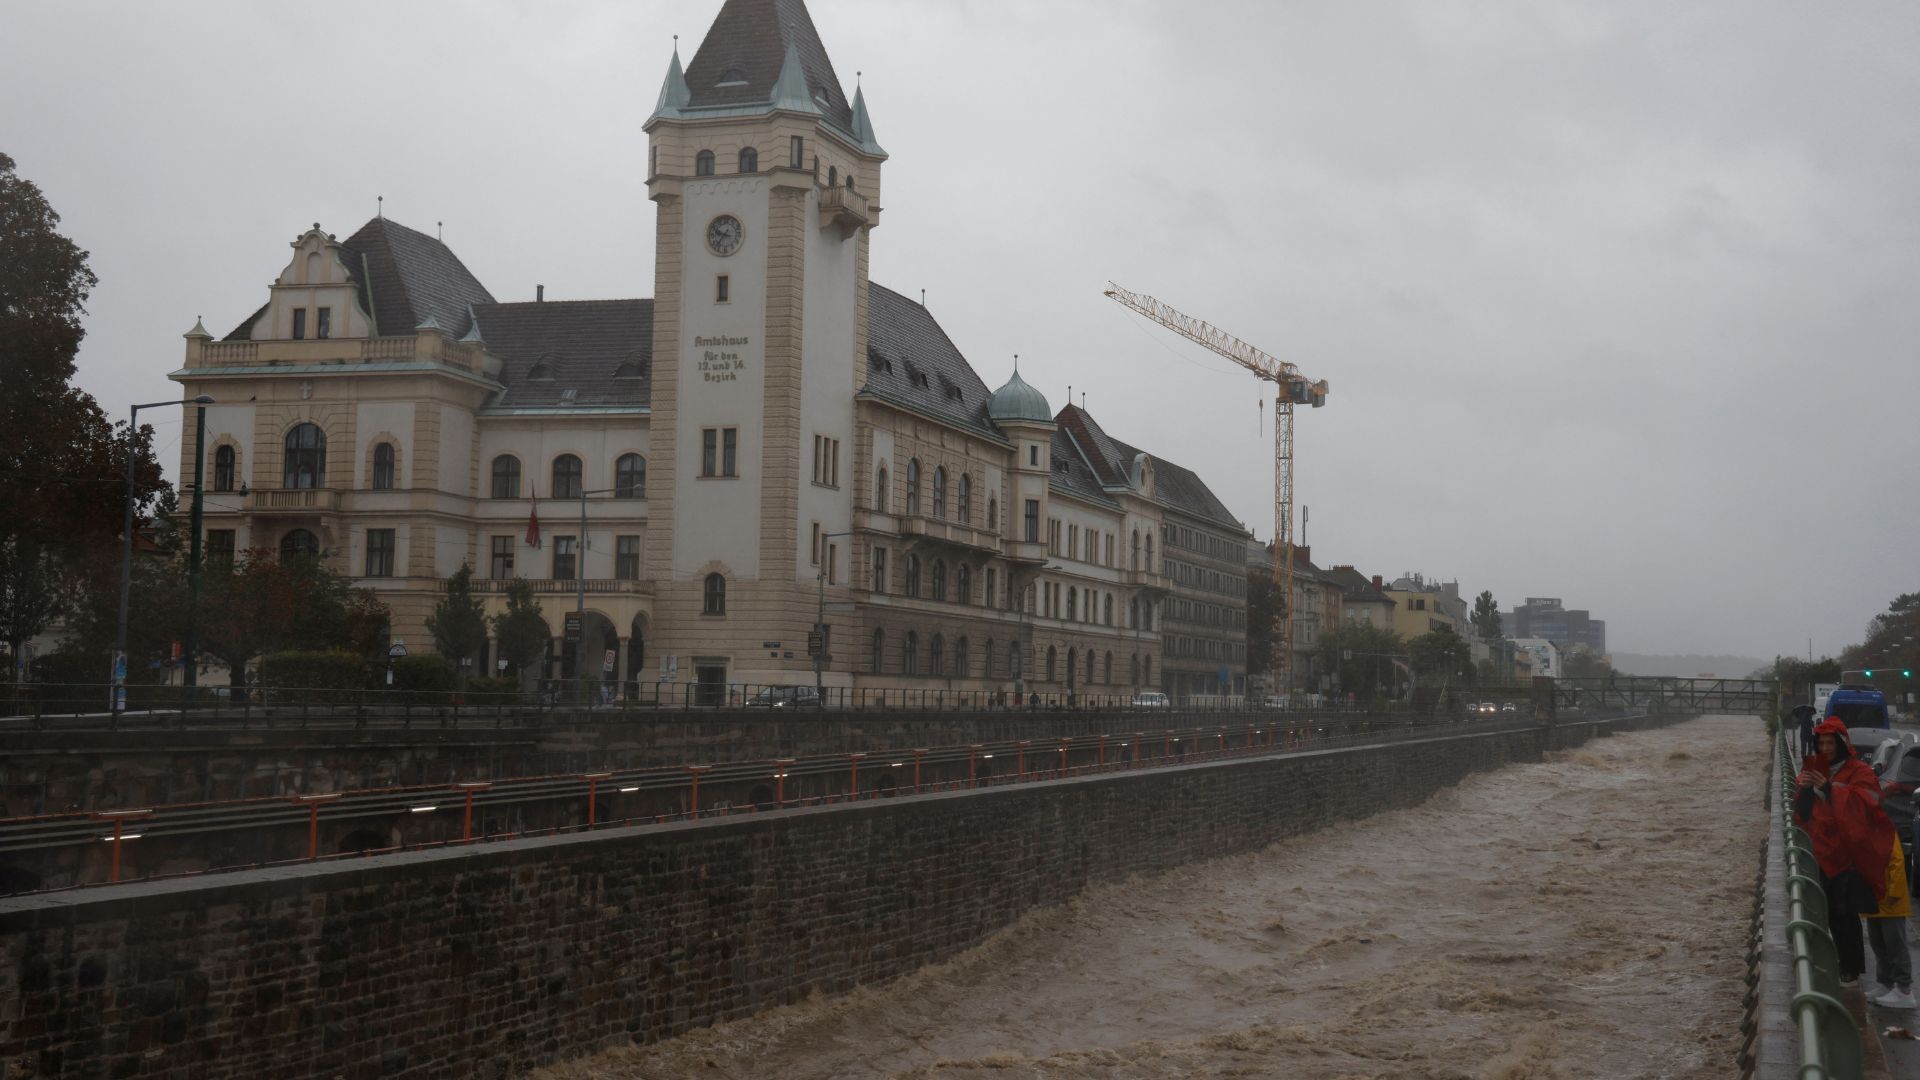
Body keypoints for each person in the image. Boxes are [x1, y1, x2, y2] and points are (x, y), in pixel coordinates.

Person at [1795, 716, 1899, 986]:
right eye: (1821, 743)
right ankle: (1829, 963)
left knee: (1845, 914)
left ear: (1841, 744)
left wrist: (1829, 789)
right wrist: (1805, 790)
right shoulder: (1812, 768)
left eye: (1831, 743)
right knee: (1823, 912)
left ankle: (1850, 971)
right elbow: (1801, 813)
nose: (1826, 748)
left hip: (1848, 855)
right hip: (1819, 852)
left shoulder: (1860, 771)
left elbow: (1868, 806)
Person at [1865, 829, 1914, 1009]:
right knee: (1878, 944)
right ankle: (1885, 983)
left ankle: (1904, 989)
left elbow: (1897, 862)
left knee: (1895, 945)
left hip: (1890, 901)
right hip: (1875, 899)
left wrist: (1894, 893)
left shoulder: (1885, 832)